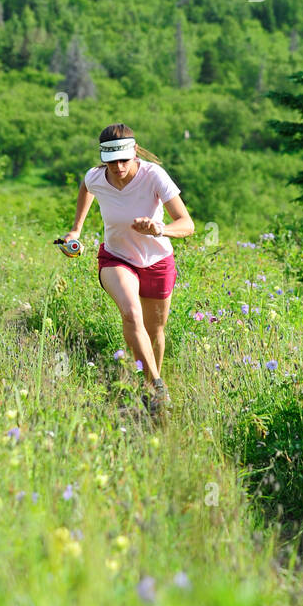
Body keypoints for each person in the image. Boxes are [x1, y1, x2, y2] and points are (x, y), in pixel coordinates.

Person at [60, 123, 194, 416]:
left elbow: (187, 224)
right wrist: (75, 230)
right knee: (131, 312)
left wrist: (159, 228)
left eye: (123, 160)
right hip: (116, 258)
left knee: (155, 330)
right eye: (111, 162)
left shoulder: (154, 176)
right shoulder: (96, 177)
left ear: (135, 152)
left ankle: (151, 396)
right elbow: (86, 187)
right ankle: (157, 384)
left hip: (158, 261)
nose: (118, 167)